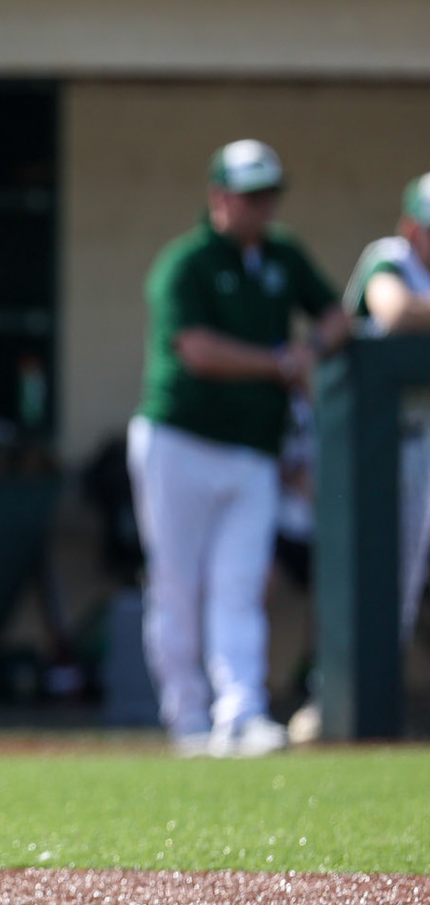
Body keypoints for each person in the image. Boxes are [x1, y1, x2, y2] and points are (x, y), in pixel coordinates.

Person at [129, 140, 348, 758]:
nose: (262, 207)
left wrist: (310, 352)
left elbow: (335, 316)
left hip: (254, 449)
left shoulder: (283, 255)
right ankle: (188, 716)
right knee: (175, 582)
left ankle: (242, 711)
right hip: (181, 441)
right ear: (218, 198)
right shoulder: (187, 262)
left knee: (241, 582)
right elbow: (195, 349)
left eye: (269, 194)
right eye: (250, 195)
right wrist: (279, 362)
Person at [344, 172, 430, 641]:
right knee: (363, 573)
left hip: (420, 440)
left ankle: (377, 700)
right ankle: (327, 690)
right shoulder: (389, 258)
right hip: (367, 443)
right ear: (411, 228)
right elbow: (394, 312)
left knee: (403, 581)